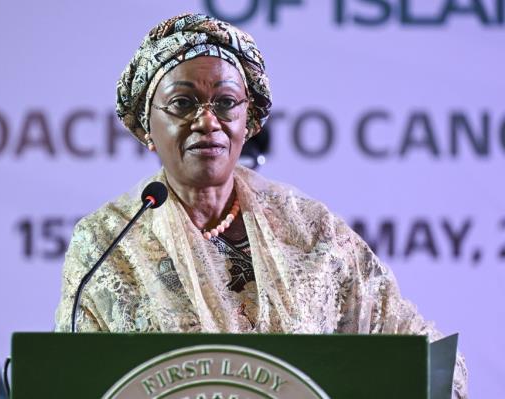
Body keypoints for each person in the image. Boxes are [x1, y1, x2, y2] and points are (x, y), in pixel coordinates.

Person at [54, 13, 467, 397]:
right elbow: (75, 379)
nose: (207, 121)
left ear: (249, 120)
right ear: (146, 125)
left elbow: (413, 349)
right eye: (183, 104)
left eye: (226, 102)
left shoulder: (309, 228)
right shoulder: (107, 241)